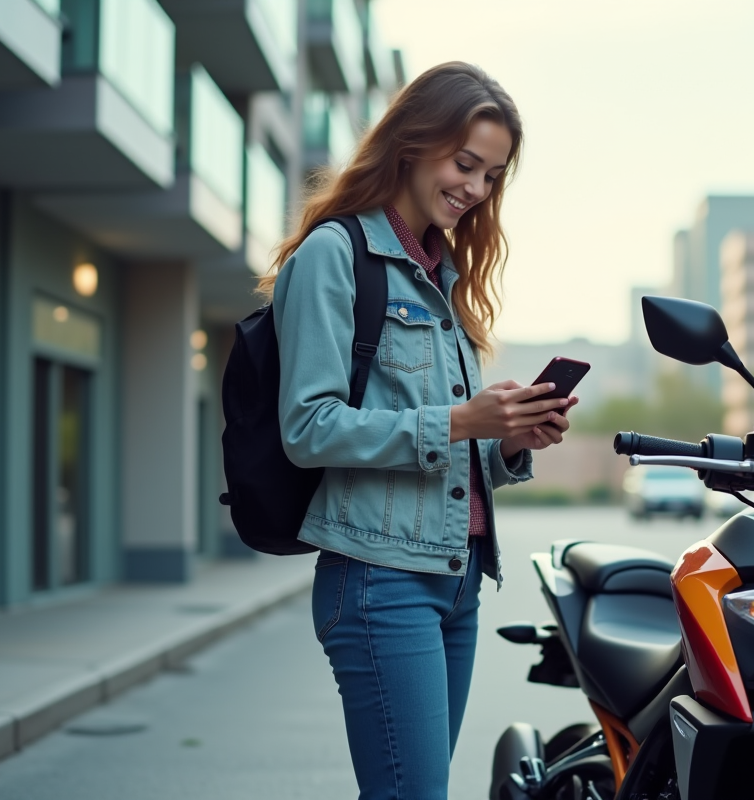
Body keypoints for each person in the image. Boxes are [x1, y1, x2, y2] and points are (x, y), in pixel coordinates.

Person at [257, 62, 574, 799]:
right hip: (379, 580)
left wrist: (508, 441)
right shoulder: (334, 256)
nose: (476, 188)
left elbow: (443, 452)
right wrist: (463, 419)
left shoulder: (442, 277)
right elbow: (308, 428)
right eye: (465, 163)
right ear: (411, 142)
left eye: (492, 175)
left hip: (456, 581)